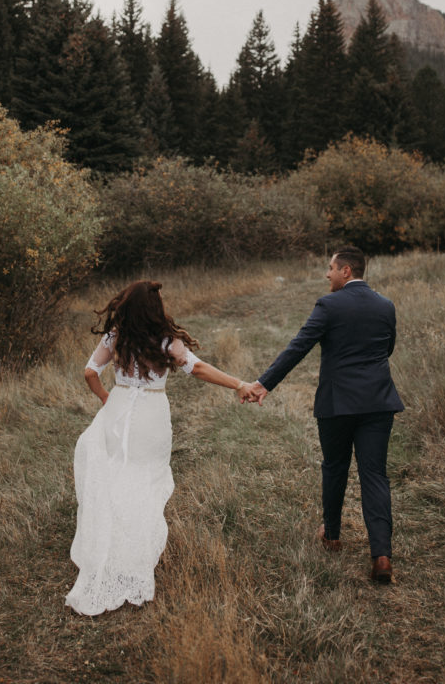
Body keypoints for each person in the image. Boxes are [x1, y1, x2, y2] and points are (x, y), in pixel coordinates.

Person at [65, 279, 250, 615]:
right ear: (154, 308)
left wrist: (108, 399)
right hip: (150, 415)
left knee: (116, 479)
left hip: (117, 413)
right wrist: (238, 383)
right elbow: (199, 368)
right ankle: (132, 558)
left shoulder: (115, 336)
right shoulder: (166, 341)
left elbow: (90, 372)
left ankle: (110, 551)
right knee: (145, 481)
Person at [239, 246, 404, 582]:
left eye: (330, 268)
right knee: (375, 475)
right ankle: (382, 555)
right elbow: (387, 349)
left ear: (346, 271)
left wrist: (264, 383)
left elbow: (298, 346)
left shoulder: (329, 304)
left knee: (335, 467)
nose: (327, 274)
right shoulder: (386, 305)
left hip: (337, 404)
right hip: (377, 402)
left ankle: (331, 535)